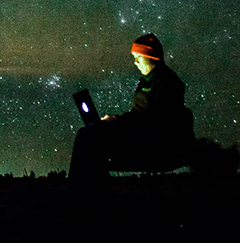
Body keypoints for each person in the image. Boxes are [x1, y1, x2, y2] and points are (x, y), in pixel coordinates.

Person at [68, 33, 194, 180]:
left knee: (87, 136)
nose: (135, 62)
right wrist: (117, 120)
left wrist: (119, 123)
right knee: (90, 133)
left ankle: (81, 190)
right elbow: (139, 115)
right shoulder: (147, 81)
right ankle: (92, 188)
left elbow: (153, 119)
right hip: (138, 134)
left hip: (150, 142)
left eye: (138, 57)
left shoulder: (167, 82)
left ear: (151, 56)